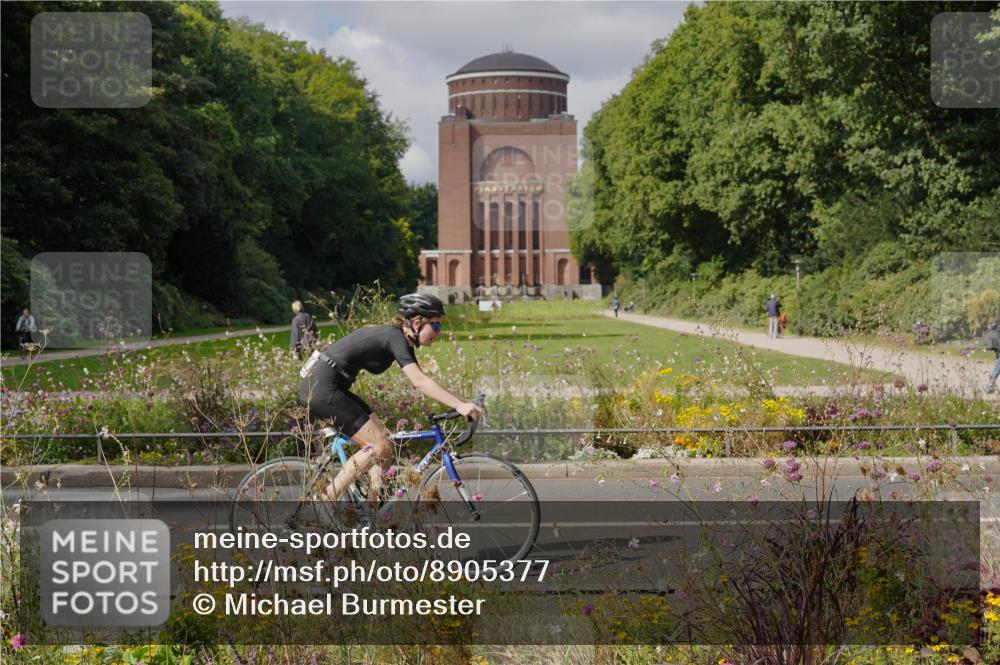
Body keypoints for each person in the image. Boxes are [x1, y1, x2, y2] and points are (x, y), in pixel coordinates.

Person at [298, 293, 484, 501]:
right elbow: (419, 382)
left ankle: (375, 505)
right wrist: (459, 405)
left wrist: (464, 402)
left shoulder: (400, 338)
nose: (439, 332)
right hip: (322, 389)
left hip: (333, 387)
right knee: (378, 445)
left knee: (385, 440)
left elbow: (424, 380)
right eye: (437, 326)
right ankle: (327, 499)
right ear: (417, 322)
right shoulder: (394, 336)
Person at [984, 317, 1000, 394]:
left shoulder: (995, 326)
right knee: (998, 367)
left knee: (998, 365)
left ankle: (989, 385)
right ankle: (989, 385)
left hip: (996, 348)